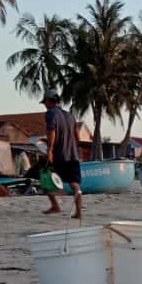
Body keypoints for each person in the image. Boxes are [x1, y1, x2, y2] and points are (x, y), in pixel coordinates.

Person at [42, 88, 83, 220]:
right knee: (74, 183)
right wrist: (76, 148)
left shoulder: (50, 114)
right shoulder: (70, 115)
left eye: (45, 102)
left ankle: (55, 206)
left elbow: (51, 132)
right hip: (73, 155)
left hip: (60, 155)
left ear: (49, 101)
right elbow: (77, 135)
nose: (45, 105)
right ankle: (78, 212)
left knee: (45, 179)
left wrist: (49, 150)